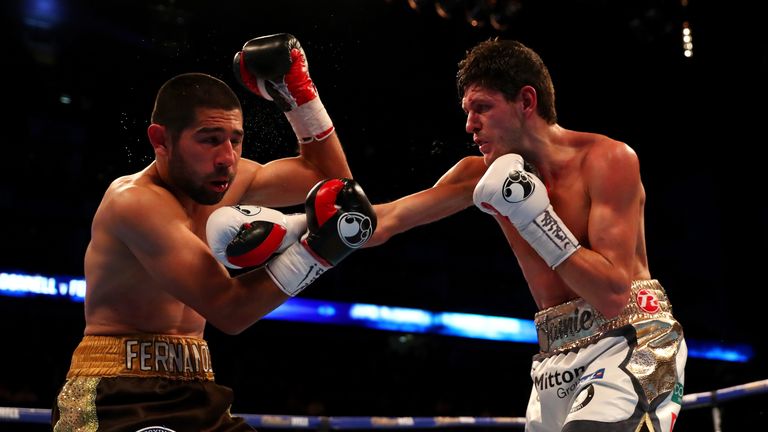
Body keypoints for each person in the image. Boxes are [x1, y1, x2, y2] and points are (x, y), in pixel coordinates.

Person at [51, 33, 376, 431]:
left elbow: (335, 187)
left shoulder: (231, 179)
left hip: (196, 387)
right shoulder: (134, 202)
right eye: (209, 140)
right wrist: (315, 253)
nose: (227, 158)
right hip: (116, 395)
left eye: (235, 141)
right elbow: (230, 309)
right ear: (160, 140)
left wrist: (300, 98)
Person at [370, 38, 686, 431]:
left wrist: (535, 218)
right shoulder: (479, 175)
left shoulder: (607, 159)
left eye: (482, 107)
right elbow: (385, 221)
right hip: (553, 361)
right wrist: (300, 225)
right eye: (467, 112)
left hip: (630, 340)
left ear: (526, 101)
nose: (470, 125)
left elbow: (612, 293)